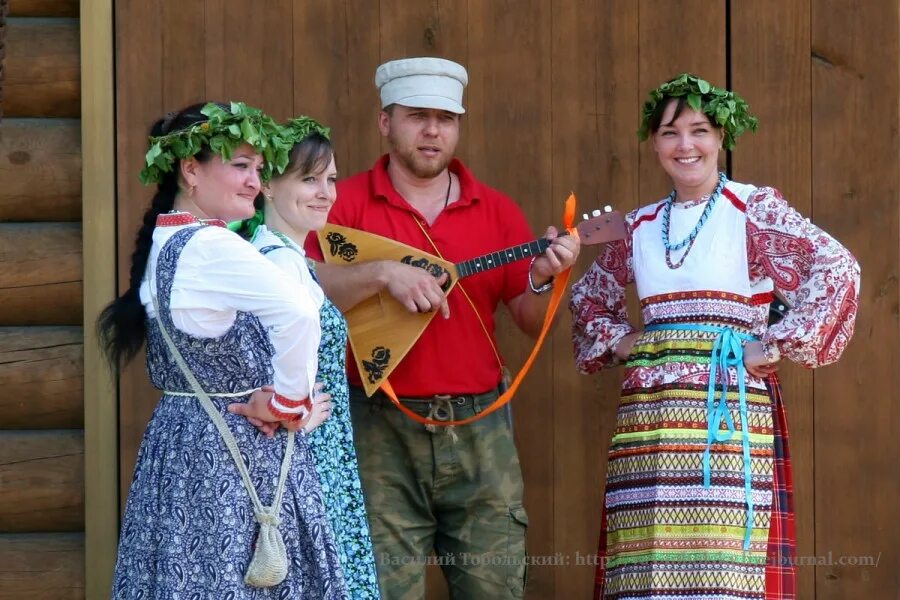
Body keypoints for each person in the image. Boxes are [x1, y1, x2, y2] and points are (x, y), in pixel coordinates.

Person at [570, 73, 860, 599]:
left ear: (721, 137)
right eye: (669, 133)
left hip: (726, 414)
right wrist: (621, 342)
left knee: (724, 563)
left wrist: (774, 343)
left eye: (699, 130)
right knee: (646, 562)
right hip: (650, 418)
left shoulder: (753, 209)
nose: (686, 146)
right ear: (654, 143)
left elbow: (838, 269)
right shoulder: (637, 226)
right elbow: (589, 299)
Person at [303, 57, 581, 600]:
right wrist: (381, 273)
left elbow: (526, 320)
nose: (433, 131)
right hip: (377, 422)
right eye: (417, 116)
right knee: (379, 590)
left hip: (480, 428)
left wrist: (545, 279)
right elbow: (302, 288)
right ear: (386, 122)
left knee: (494, 587)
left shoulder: (496, 210)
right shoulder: (343, 203)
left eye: (446, 118)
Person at [98, 101, 348, 598]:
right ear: (191, 169)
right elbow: (299, 312)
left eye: (258, 168)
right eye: (239, 165)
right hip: (232, 461)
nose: (255, 181)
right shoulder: (212, 247)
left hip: (182, 446)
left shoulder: (169, 243)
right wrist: (287, 404)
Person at [237, 116, 380, 599]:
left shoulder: (283, 256)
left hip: (318, 448)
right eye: (309, 179)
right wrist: (295, 410)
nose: (326, 192)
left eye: (331, 179)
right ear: (269, 188)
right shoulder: (278, 263)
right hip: (306, 455)